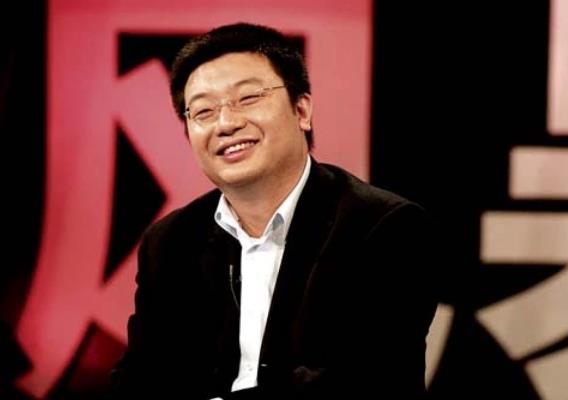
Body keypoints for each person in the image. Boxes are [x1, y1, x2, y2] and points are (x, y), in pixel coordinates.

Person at [110, 22, 439, 399]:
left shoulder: (383, 226)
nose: (226, 123)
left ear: (302, 109)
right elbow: (139, 380)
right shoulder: (169, 241)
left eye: (248, 98)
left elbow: (362, 381)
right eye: (203, 111)